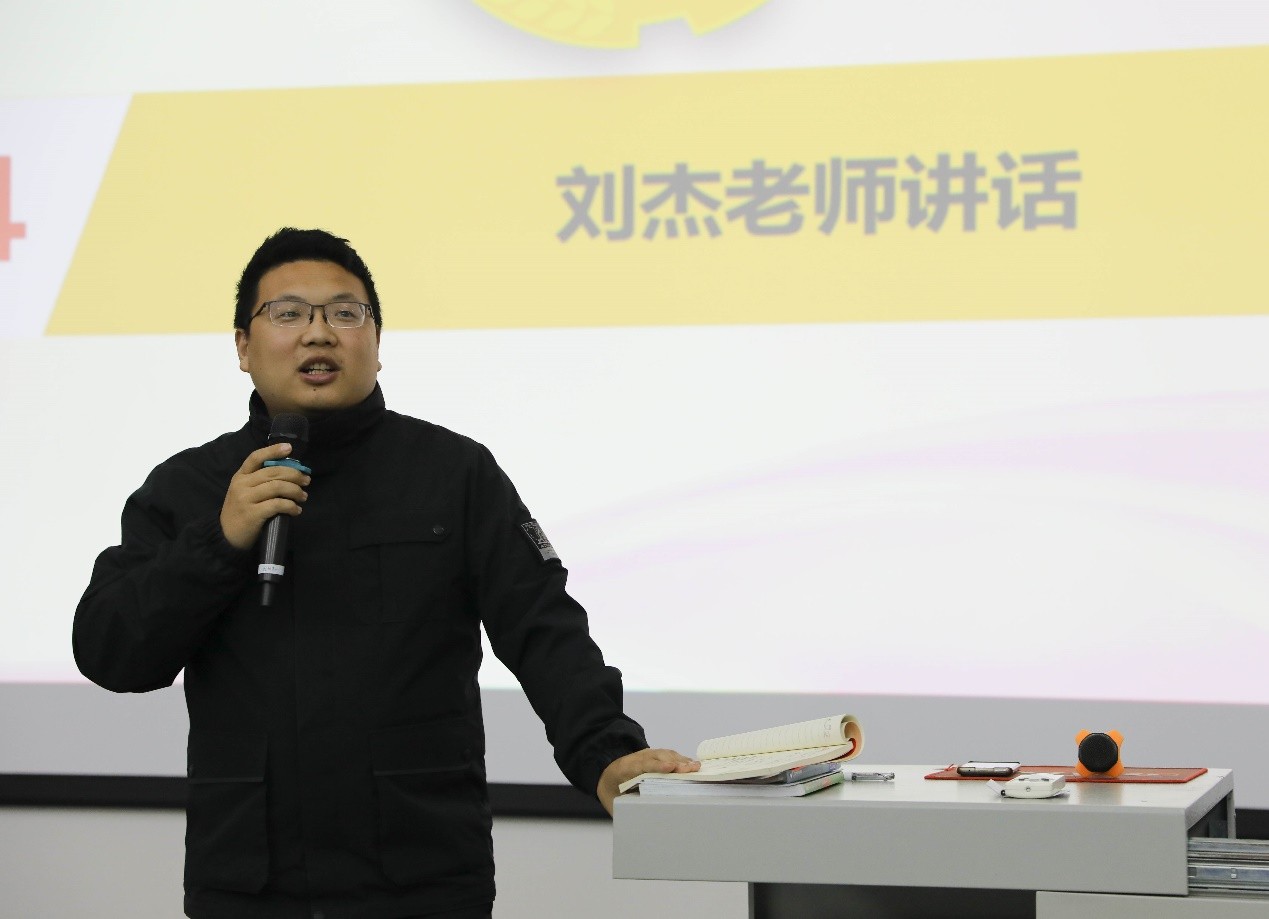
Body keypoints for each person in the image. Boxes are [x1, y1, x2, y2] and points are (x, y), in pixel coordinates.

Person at [73, 228, 697, 919]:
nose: (318, 333)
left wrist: (606, 753)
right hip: (249, 884)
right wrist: (219, 542)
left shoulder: (453, 474)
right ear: (243, 347)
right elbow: (111, 651)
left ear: (376, 341)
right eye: (288, 313)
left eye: (345, 313)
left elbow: (543, 626)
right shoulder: (189, 487)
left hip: (420, 879)